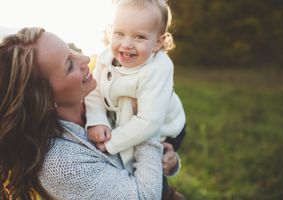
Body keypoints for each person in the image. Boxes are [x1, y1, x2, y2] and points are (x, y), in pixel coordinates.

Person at [0, 27, 180, 200]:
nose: (85, 58)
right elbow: (144, 196)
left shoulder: (101, 95)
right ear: (44, 98)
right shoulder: (60, 165)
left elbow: (145, 153)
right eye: (69, 66)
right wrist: (147, 118)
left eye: (70, 49)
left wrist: (166, 161)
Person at [85, 0, 186, 198]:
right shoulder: (105, 56)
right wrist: (96, 120)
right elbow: (93, 91)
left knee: (151, 162)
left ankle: (166, 193)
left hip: (165, 126)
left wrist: (111, 143)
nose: (126, 44)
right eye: (119, 33)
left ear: (158, 42)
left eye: (139, 36)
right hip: (126, 118)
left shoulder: (159, 67)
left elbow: (149, 122)